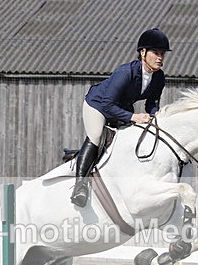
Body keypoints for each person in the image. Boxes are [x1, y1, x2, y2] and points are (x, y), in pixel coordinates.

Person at [70, 28, 171, 207]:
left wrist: (155, 118)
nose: (160, 58)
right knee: (96, 136)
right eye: (156, 53)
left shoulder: (159, 77)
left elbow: (152, 104)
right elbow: (107, 104)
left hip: (122, 108)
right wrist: (134, 116)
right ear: (143, 52)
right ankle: (80, 186)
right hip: (98, 105)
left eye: (162, 54)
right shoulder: (126, 72)